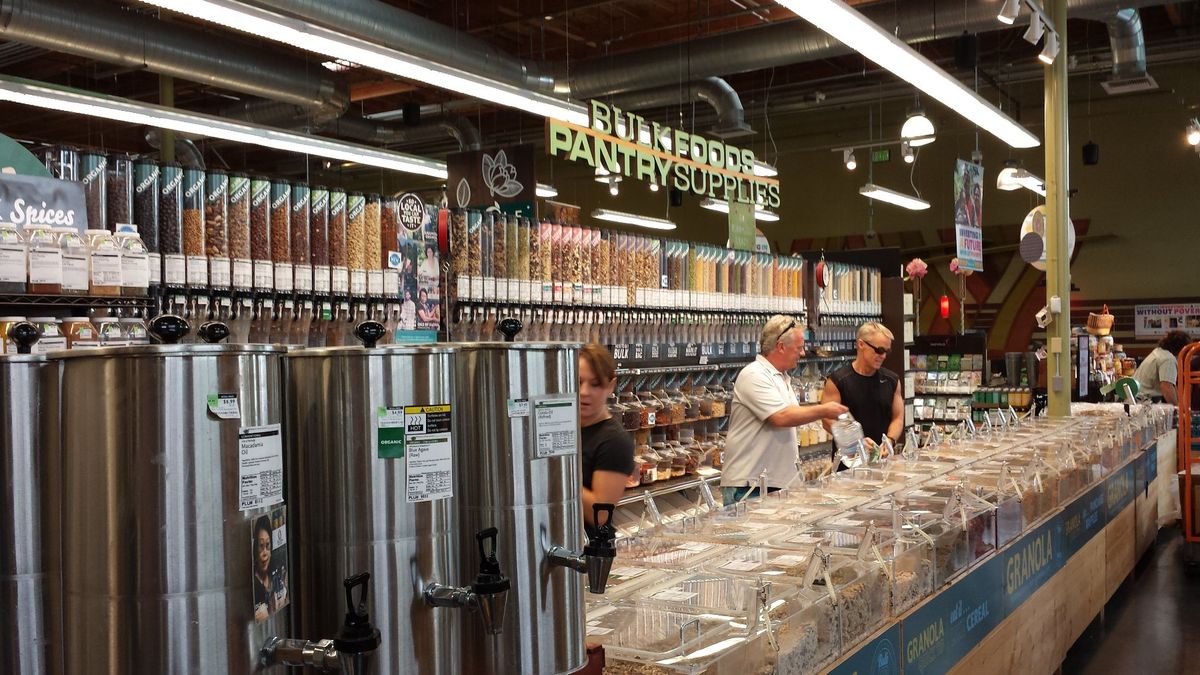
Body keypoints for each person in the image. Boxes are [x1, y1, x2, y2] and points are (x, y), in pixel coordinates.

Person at [722, 315, 848, 502]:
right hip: (750, 486)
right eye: (799, 348)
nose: (803, 353)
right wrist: (824, 410)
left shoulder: (781, 378)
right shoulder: (754, 374)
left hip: (773, 483)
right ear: (781, 347)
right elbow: (781, 417)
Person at [822, 322, 904, 464]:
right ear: (861, 344)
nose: (883, 356)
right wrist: (856, 442)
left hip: (882, 460)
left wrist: (890, 440)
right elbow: (827, 420)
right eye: (879, 350)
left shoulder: (892, 380)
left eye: (887, 351)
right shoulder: (838, 381)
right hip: (849, 464)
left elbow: (898, 418)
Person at [578, 344, 634, 537]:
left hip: (589, 548)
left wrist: (557, 476)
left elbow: (600, 515)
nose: (584, 392)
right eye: (578, 382)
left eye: (595, 384)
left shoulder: (615, 441)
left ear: (611, 386)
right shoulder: (563, 427)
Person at [1132, 329, 1191, 404]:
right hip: (1144, 402)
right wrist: (1178, 408)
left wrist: (1179, 403)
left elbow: (1171, 385)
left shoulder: (1158, 352)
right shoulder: (1168, 359)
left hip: (1137, 398)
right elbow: (1167, 387)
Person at [253, 516, 275, 622]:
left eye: (268, 545)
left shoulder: (273, 578)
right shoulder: (254, 584)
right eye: (261, 546)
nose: (265, 553)